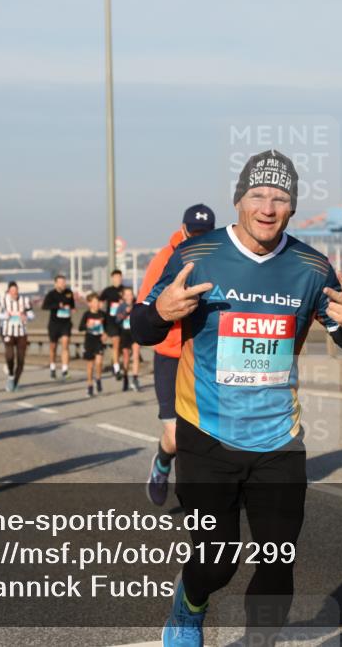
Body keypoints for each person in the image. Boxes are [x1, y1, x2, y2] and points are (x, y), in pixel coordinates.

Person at [132, 150, 342, 645]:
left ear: (292, 207)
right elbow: (140, 326)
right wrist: (162, 312)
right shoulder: (196, 255)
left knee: (278, 563)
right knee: (214, 562)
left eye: (280, 198)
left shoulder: (311, 267)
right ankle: (188, 607)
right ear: (238, 200)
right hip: (207, 435)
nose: (268, 207)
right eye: (258, 195)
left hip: (278, 438)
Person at [136, 203, 216, 506]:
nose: (197, 238)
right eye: (194, 233)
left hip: (204, 354)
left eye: (204, 234)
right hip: (170, 354)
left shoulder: (218, 258)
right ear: (183, 230)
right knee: (174, 436)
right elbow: (144, 308)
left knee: (207, 431)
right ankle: (161, 463)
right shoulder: (164, 260)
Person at [0, 281, 34, 392]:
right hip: (7, 331)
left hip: (21, 332)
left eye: (16, 291)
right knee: (10, 356)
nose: (14, 293)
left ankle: (15, 383)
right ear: (9, 291)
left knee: (21, 360)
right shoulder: (3, 300)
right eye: (12, 291)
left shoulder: (25, 300)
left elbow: (32, 314)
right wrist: (4, 316)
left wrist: (26, 316)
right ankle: (11, 376)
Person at [42, 274, 75, 381]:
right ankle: (52, 368)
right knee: (53, 347)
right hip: (54, 324)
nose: (63, 284)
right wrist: (57, 305)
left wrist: (72, 309)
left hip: (66, 323)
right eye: (60, 282)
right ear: (56, 283)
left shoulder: (69, 293)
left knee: (65, 344)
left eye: (64, 282)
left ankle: (65, 370)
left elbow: (72, 305)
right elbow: (44, 307)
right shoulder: (51, 294)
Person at [78, 292, 106, 397]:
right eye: (94, 302)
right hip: (89, 341)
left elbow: (107, 327)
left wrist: (105, 334)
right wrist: (87, 325)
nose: (96, 303)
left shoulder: (102, 314)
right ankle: (89, 386)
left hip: (99, 341)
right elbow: (80, 327)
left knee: (99, 363)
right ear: (89, 303)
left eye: (97, 301)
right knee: (90, 365)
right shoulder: (86, 314)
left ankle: (98, 379)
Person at [100, 269, 126, 379]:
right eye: (115, 277)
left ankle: (114, 362)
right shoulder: (107, 291)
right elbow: (100, 304)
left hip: (123, 321)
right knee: (116, 342)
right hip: (111, 322)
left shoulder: (125, 290)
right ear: (112, 278)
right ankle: (116, 369)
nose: (118, 279)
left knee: (120, 347)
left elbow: (132, 302)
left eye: (119, 277)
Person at [114, 287, 138, 392]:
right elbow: (117, 320)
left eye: (130, 294)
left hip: (135, 332)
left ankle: (135, 379)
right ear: (123, 296)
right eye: (127, 295)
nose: (129, 296)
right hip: (125, 333)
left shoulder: (137, 305)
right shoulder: (121, 306)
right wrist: (125, 313)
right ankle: (125, 378)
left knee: (136, 354)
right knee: (126, 356)